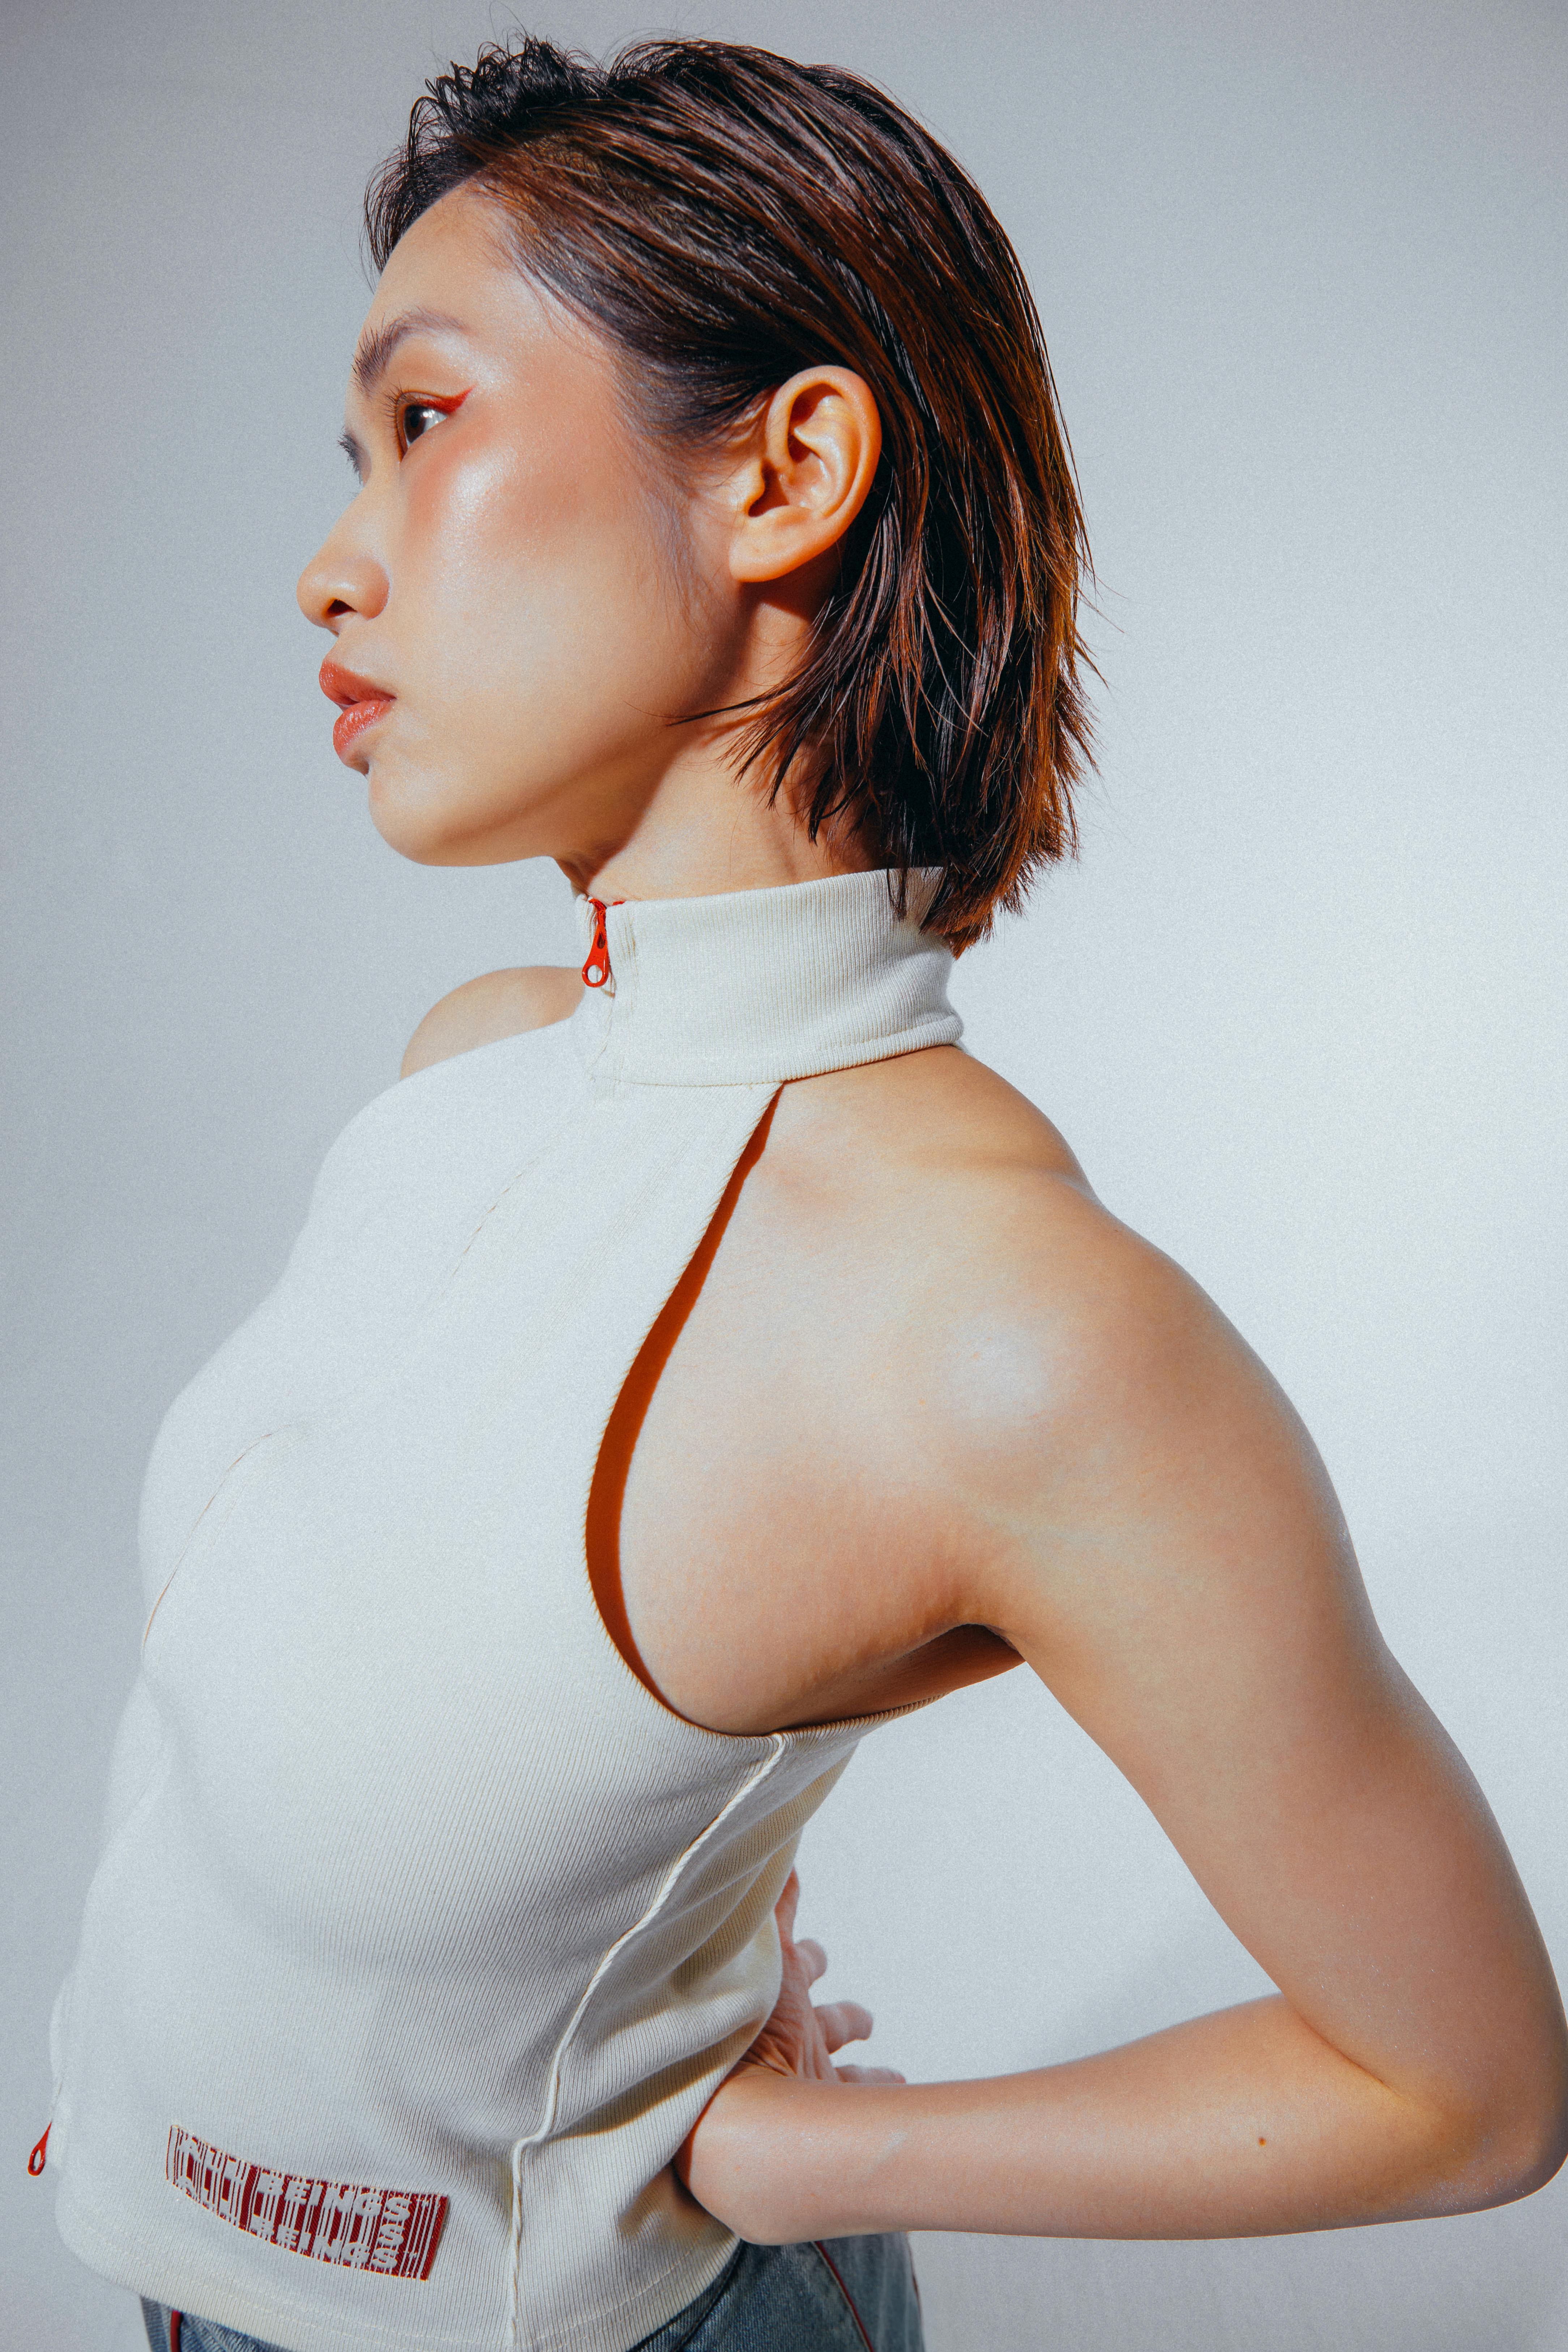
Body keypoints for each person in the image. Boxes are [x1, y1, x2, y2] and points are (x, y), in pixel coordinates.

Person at [38, 33, 1567, 2352]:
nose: (329, 565)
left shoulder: (998, 1319)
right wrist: (159, 2108)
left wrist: (790, 2150)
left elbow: (1453, 2087)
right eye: (349, 459)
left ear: (788, 472)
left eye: (426, 424)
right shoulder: (470, 1075)